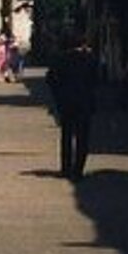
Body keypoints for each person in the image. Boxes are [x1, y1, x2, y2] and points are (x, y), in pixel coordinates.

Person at [46, 29, 98, 181]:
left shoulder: (59, 59)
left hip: (66, 103)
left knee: (66, 135)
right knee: (83, 137)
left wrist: (58, 96)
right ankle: (78, 170)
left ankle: (66, 168)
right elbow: (96, 79)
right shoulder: (89, 59)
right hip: (85, 102)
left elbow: (50, 80)